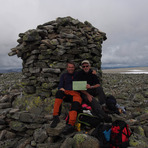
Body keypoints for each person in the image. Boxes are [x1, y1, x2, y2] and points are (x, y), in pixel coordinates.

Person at [50, 61, 82, 135]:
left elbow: (86, 72)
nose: (71, 68)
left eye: (72, 67)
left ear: (74, 68)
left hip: (75, 94)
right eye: (69, 67)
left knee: (75, 104)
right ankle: (55, 117)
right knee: (59, 93)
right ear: (67, 68)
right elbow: (60, 85)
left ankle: (70, 124)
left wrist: (93, 71)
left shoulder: (78, 74)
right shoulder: (63, 75)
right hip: (66, 93)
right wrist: (61, 88)